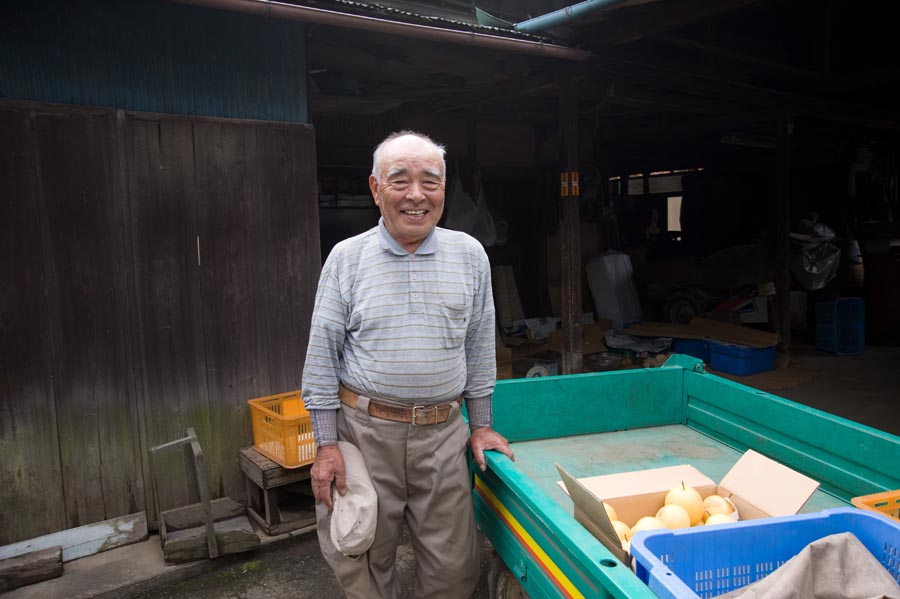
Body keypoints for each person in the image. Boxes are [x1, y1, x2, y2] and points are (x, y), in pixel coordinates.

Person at [302, 130, 515, 599]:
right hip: (364, 431)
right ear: (376, 190)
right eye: (400, 181)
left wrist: (480, 425)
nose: (416, 195)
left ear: (443, 188)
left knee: (454, 565)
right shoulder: (347, 258)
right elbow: (321, 357)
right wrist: (325, 444)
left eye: (430, 181)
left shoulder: (470, 255)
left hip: (442, 433)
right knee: (361, 554)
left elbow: (480, 348)